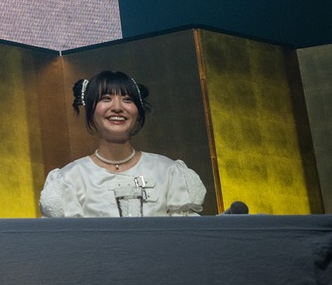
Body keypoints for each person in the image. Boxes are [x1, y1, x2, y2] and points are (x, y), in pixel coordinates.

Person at [39, 71, 207, 218]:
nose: (117, 107)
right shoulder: (69, 179)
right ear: (90, 110)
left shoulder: (169, 172)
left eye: (127, 99)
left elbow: (186, 235)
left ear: (138, 112)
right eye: (106, 98)